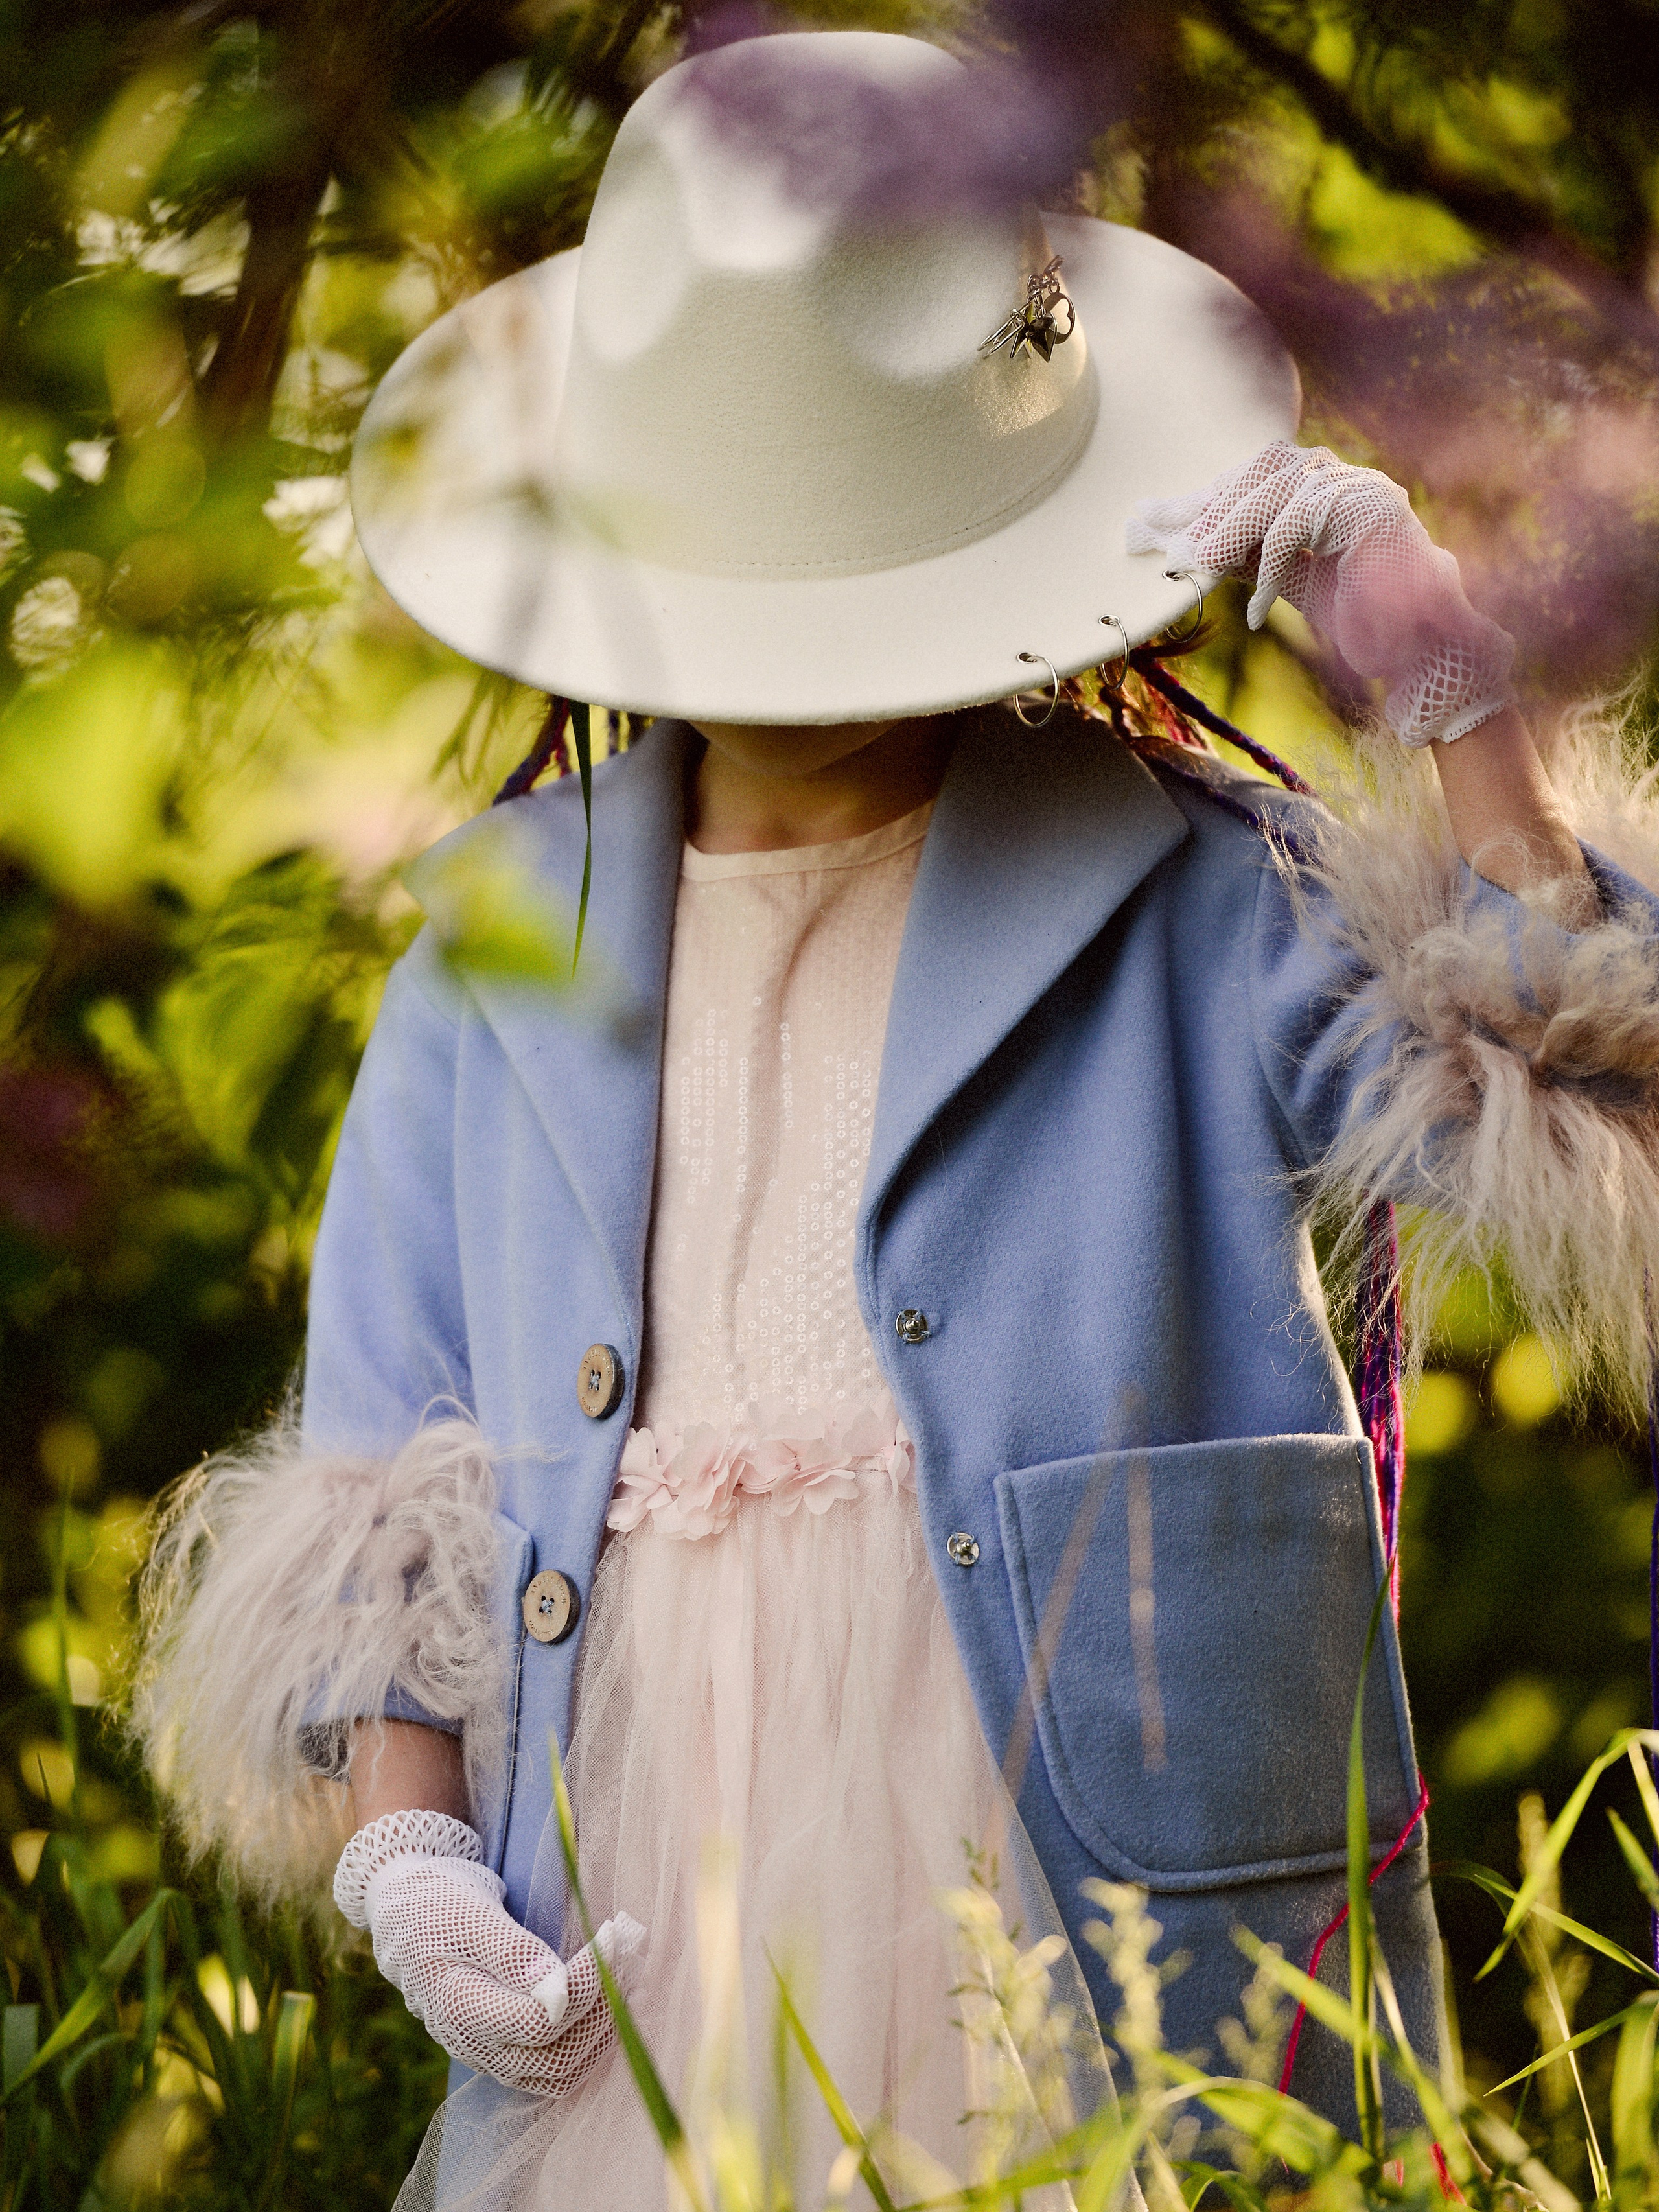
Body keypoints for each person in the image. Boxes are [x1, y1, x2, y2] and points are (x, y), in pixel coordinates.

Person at [133, 25, 1659, 2209]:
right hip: (638, 1863)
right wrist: (410, 1849)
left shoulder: (1205, 889)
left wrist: (1452, 695)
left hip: (1091, 1856)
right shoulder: (492, 940)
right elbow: (397, 1473)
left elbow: (1591, 1065)